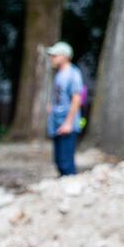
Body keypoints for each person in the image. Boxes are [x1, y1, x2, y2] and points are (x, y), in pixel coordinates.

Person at [47, 41, 84, 176]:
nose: (52, 58)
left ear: (65, 56)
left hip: (67, 123)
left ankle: (72, 188)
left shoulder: (73, 74)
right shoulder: (59, 74)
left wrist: (68, 123)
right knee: (58, 160)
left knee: (66, 162)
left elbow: (76, 99)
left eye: (55, 55)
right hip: (57, 122)